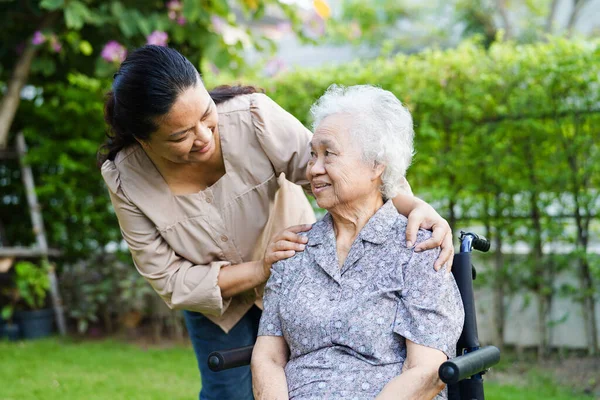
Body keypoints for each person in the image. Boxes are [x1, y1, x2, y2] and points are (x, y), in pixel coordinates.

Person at [98, 45, 455, 400]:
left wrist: (417, 207)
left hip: (310, 267)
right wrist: (265, 267)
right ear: (144, 141)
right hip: (231, 297)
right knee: (227, 394)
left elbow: (348, 169)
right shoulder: (125, 178)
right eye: (180, 136)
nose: (204, 137)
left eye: (206, 115)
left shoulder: (250, 117)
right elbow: (169, 279)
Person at [252, 85, 465, 400]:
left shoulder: (418, 250)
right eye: (313, 154)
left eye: (329, 154)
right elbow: (268, 357)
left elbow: (426, 372)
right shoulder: (293, 250)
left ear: (377, 165)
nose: (313, 169)